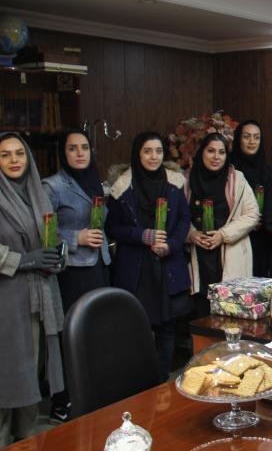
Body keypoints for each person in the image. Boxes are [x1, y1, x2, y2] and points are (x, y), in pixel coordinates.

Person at [0, 133, 65, 450]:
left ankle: (27, 442)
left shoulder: (37, 193)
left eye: (20, 153)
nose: (14, 160)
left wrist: (55, 257)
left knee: (29, 376)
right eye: (6, 155)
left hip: (36, 299)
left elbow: (51, 236)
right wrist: (24, 260)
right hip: (0, 304)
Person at [106, 132, 191, 382]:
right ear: (137, 154)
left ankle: (161, 382)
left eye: (158, 151)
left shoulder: (175, 182)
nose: (154, 157)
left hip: (166, 265)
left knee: (167, 328)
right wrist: (140, 235)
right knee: (135, 328)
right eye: (147, 151)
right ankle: (138, 386)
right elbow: (112, 227)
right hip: (136, 268)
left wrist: (170, 246)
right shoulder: (122, 187)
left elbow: (183, 219)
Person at [42, 128, 111, 424]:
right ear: (63, 153)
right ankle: (63, 401)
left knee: (95, 332)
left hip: (99, 266)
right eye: (72, 148)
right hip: (71, 271)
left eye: (84, 147)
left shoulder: (96, 181)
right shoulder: (52, 186)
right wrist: (75, 237)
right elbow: (44, 232)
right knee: (70, 334)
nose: (80, 153)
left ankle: (91, 394)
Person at [185, 133, 259, 315]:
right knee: (201, 311)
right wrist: (191, 234)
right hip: (198, 254)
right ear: (202, 152)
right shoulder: (187, 179)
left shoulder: (237, 179)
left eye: (221, 152)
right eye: (211, 151)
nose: (216, 157)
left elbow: (252, 214)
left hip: (229, 252)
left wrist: (223, 235)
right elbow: (179, 216)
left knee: (230, 312)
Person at [230, 120, 272, 277]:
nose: (252, 141)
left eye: (256, 137)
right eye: (247, 136)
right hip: (236, 236)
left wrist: (264, 219)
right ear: (238, 139)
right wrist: (247, 220)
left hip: (262, 236)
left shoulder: (269, 172)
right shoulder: (229, 169)